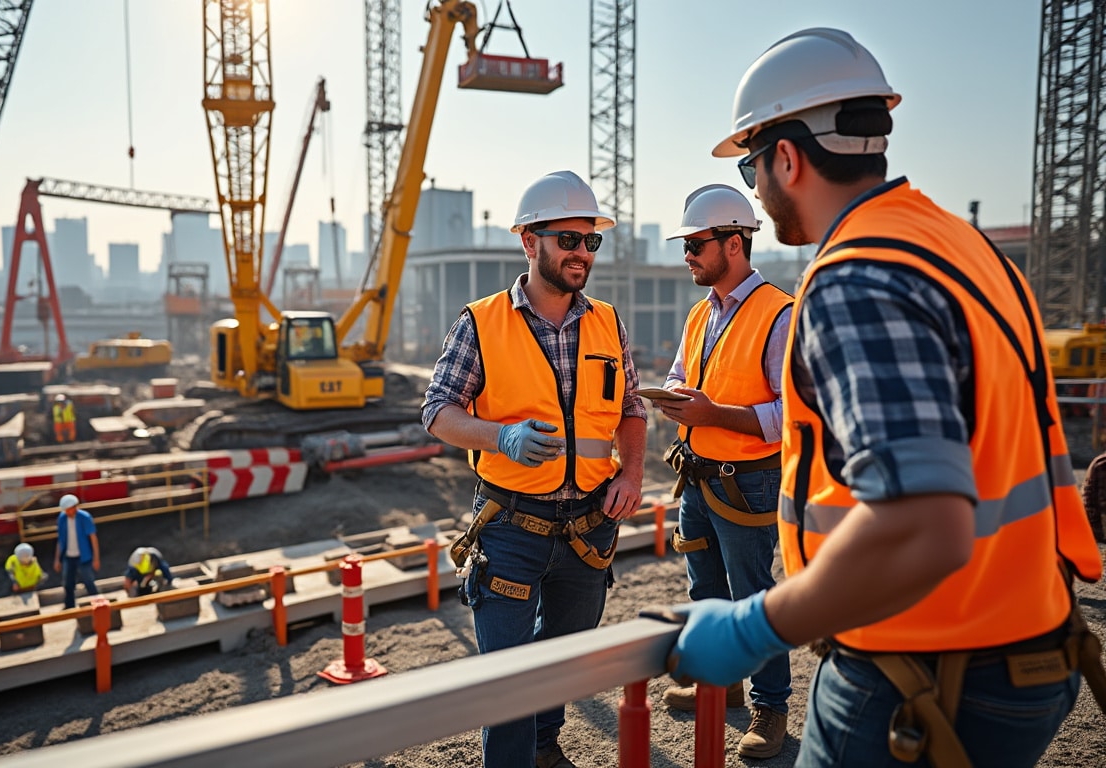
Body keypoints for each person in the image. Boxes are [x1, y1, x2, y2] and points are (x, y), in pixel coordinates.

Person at [662, 28, 1105, 768]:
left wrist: (754, 627)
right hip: (1025, 634)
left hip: (929, 664)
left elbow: (920, 527)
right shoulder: (960, 246)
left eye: (749, 166)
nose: (756, 186)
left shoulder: (856, 278)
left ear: (787, 157)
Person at [422, 169, 647, 768]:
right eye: (568, 240)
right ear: (530, 241)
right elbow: (438, 411)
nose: (581, 253)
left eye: (590, 241)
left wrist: (630, 474)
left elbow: (630, 409)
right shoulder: (481, 322)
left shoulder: (607, 322)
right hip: (510, 527)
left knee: (565, 659)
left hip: (588, 528)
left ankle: (545, 748)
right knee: (508, 678)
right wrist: (501, 436)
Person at [655, 184, 793, 758]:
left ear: (734, 243)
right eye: (686, 245)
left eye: (696, 244)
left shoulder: (779, 314)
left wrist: (716, 414)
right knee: (706, 587)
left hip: (749, 479)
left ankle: (771, 706)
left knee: (754, 594)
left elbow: (793, 415)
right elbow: (681, 373)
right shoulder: (699, 312)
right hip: (699, 473)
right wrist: (670, 396)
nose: (687, 254)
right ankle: (723, 681)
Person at [53, 493, 100, 609]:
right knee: (68, 584)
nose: (68, 512)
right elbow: (60, 540)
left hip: (83, 556)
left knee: (88, 582)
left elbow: (93, 538)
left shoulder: (84, 517)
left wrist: (96, 558)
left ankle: (98, 604)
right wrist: (57, 559)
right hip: (68, 557)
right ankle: (69, 607)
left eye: (70, 509)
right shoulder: (62, 519)